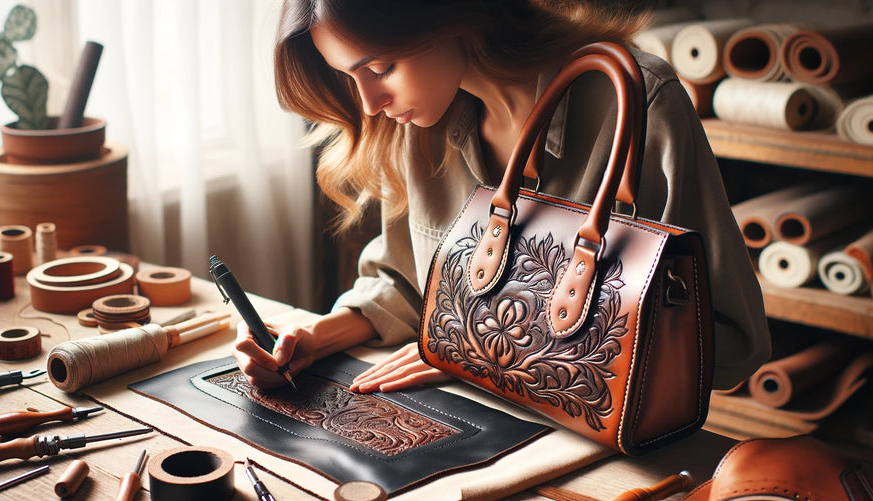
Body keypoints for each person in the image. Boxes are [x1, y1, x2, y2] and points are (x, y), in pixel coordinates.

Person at [233, 0, 771, 394]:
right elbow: (406, 285)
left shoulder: (637, 103)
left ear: (454, 17)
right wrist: (315, 337)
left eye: (378, 69)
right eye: (349, 78)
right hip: (470, 417)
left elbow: (729, 346)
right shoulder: (420, 121)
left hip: (603, 448)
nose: (370, 104)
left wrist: (482, 354)